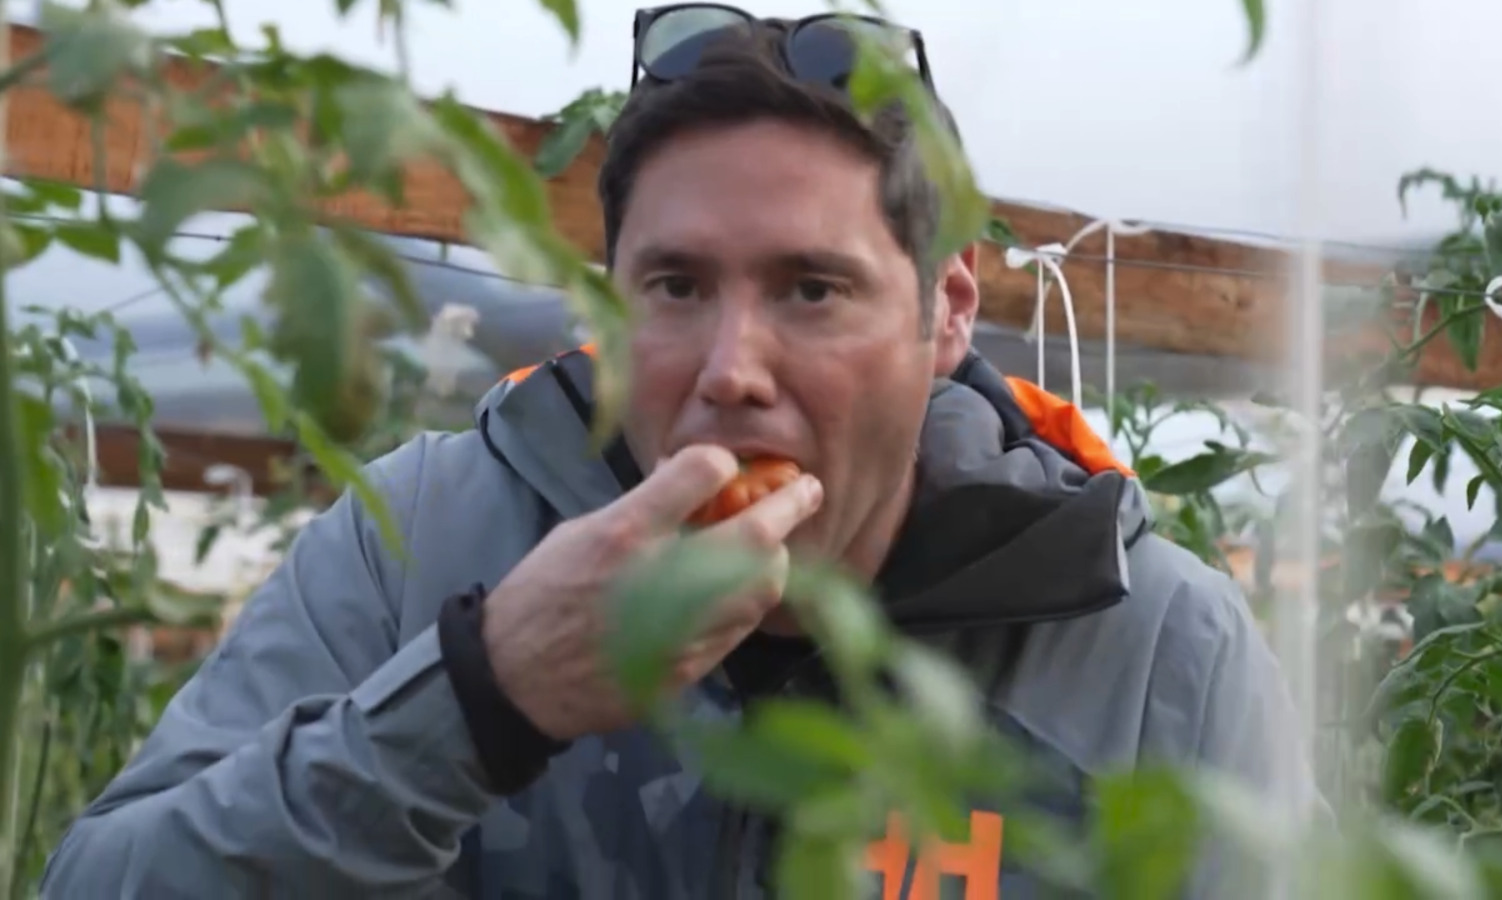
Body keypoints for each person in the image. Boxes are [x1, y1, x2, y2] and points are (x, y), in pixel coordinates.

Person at [41, 6, 1318, 898]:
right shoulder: (414, 544)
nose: (729, 368)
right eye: (674, 286)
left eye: (812, 290)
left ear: (946, 315)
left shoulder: (1144, 644)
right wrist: (480, 702)